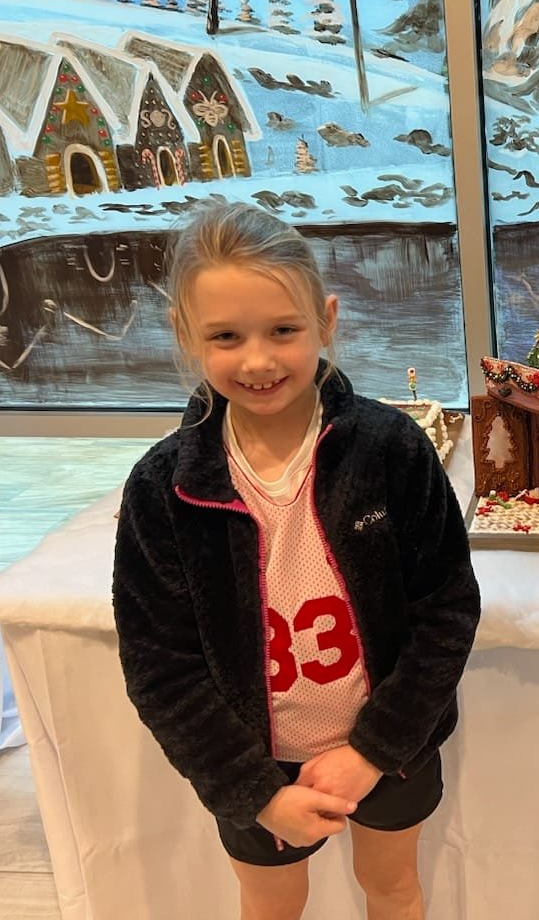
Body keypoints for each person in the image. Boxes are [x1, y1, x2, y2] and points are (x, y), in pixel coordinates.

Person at [113, 201, 480, 920]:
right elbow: (161, 667)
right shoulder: (163, 487)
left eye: (283, 330)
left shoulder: (392, 451)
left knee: (393, 887)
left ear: (326, 320)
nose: (258, 360)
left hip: (392, 748)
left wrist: (372, 751)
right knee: (270, 904)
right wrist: (254, 792)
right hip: (253, 764)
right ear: (186, 335)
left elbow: (446, 611)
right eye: (226, 336)